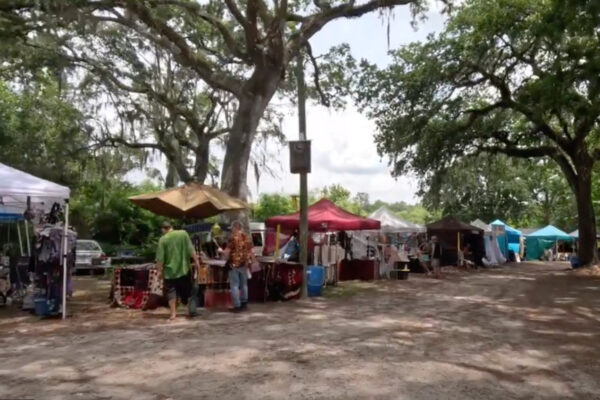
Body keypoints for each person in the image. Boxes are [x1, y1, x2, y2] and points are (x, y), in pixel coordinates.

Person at [156, 221, 202, 321]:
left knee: (171, 292)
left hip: (170, 272)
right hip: (184, 270)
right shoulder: (183, 234)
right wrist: (197, 262)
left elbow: (160, 258)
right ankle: (191, 311)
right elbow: (191, 250)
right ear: (171, 227)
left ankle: (173, 314)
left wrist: (159, 271)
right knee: (189, 291)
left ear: (163, 229)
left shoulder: (163, 239)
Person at [224, 220, 254, 313]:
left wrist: (222, 253)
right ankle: (244, 302)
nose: (231, 230)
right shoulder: (247, 237)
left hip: (234, 263)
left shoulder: (233, 237)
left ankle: (237, 305)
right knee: (244, 284)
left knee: (234, 285)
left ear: (235, 227)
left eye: (232, 228)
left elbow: (227, 251)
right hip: (244, 263)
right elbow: (251, 251)